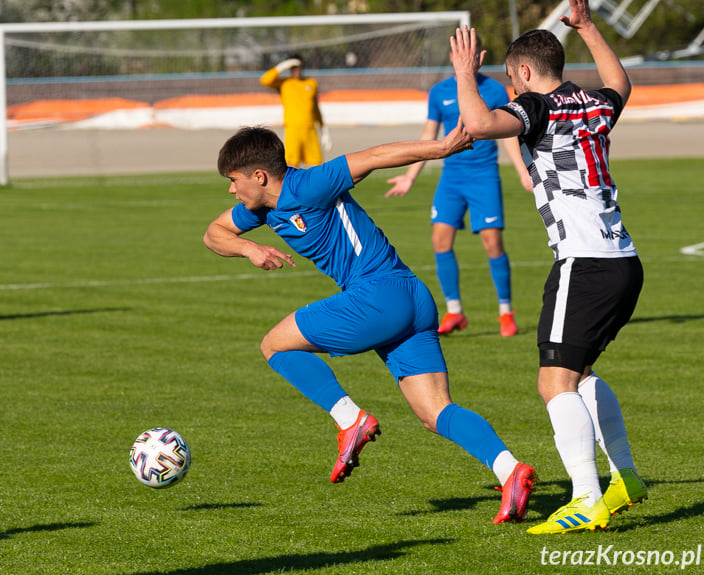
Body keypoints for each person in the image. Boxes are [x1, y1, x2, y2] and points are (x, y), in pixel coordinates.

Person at [204, 125, 537, 524]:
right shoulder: (260, 209)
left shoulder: (310, 184)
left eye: (233, 181)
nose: (231, 191)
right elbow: (213, 234)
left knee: (275, 345)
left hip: (379, 296)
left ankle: (350, 419)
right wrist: (249, 247)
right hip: (412, 297)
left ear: (258, 176)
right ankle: (510, 471)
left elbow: (376, 156)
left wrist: (442, 147)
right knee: (434, 413)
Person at [450, 0, 647, 534]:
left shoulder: (537, 107)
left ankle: (587, 497)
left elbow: (479, 122)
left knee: (553, 382)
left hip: (584, 263)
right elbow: (619, 82)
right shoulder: (594, 104)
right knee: (579, 375)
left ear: (526, 73)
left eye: (513, 80)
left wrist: (465, 75)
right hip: (623, 260)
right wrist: (587, 26)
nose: (511, 90)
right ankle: (623, 477)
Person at [385, 45, 533, 337]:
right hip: (451, 178)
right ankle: (454, 311)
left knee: (492, 244)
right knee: (440, 240)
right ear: (452, 56)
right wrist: (410, 176)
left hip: (484, 177)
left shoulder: (494, 91)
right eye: (457, 53)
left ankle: (506, 312)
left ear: (480, 57)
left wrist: (522, 171)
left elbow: (507, 136)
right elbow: (429, 136)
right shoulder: (438, 92)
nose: (464, 58)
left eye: (472, 53)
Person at [260, 54, 331, 168]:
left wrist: (323, 128)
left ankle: (315, 186)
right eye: (293, 68)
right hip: (293, 129)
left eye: (299, 67)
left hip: (310, 129)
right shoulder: (284, 83)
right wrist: (282, 66)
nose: (297, 70)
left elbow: (315, 107)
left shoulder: (311, 83)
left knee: (317, 165)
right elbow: (265, 80)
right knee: (291, 164)